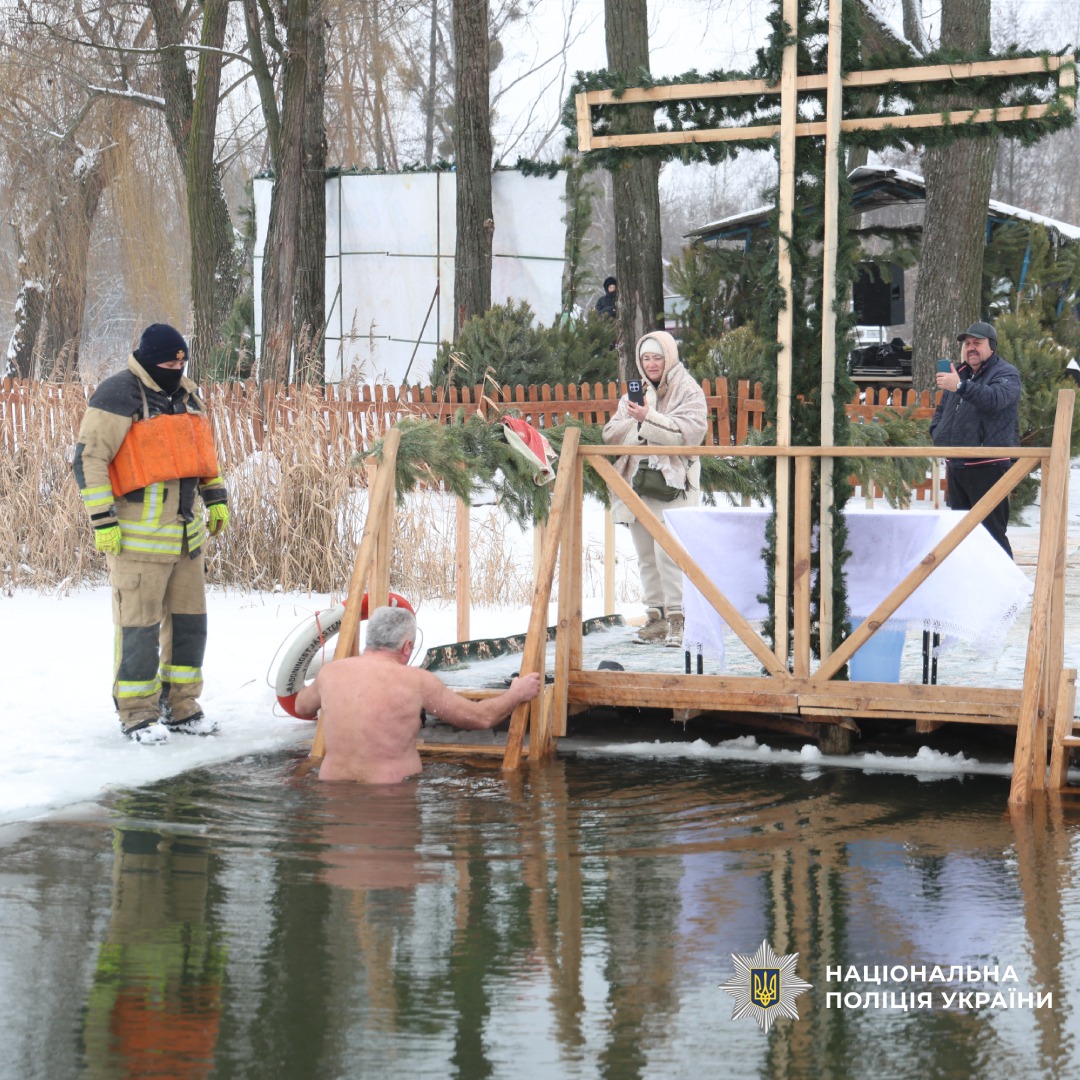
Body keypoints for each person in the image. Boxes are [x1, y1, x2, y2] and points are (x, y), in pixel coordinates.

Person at [73, 323, 229, 743]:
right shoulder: (118, 393)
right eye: (168, 365)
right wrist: (103, 520)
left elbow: (203, 455)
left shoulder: (188, 396)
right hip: (136, 540)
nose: (176, 371)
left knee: (189, 626)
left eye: (182, 364)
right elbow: (89, 459)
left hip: (186, 538)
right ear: (148, 360)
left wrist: (216, 497)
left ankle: (182, 707)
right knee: (138, 630)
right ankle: (137, 714)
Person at [295, 606, 542, 784]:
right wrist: (516, 693)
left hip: (332, 793)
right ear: (407, 647)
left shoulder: (330, 673)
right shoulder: (416, 681)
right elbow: (480, 718)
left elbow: (301, 706)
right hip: (391, 796)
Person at [602, 330, 708, 646]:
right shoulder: (634, 396)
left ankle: (678, 619)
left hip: (674, 486)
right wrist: (640, 423)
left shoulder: (689, 391)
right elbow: (610, 434)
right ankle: (656, 618)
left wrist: (649, 419)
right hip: (639, 483)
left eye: (657, 358)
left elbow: (689, 434)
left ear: (669, 358)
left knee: (669, 555)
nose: (651, 364)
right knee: (646, 555)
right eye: (645, 358)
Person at [931, 320, 1021, 557]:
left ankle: (1006, 582)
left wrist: (961, 386)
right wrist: (937, 431)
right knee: (961, 536)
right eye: (967, 343)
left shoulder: (1006, 373)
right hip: (956, 464)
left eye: (977, 343)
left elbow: (994, 399)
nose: (971, 348)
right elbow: (942, 410)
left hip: (988, 466)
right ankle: (969, 580)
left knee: (991, 535)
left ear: (991, 346)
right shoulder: (959, 374)